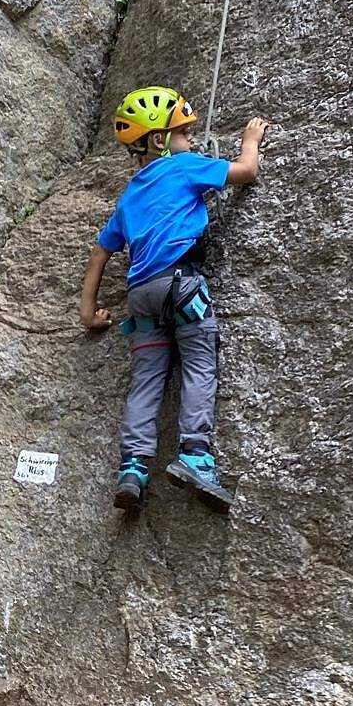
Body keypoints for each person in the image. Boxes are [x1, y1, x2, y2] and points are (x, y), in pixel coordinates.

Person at [78, 86, 267, 513]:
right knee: (199, 362)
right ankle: (196, 457)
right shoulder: (184, 167)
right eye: (184, 133)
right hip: (181, 286)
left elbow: (100, 251)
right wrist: (250, 141)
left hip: (140, 296)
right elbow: (245, 173)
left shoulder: (129, 196)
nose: (192, 140)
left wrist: (88, 311)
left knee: (146, 382)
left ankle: (133, 468)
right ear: (162, 140)